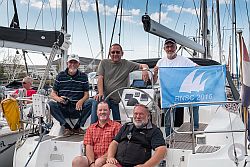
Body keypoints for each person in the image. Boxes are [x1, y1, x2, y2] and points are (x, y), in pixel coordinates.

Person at [91, 43, 149, 123]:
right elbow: (100, 77)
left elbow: (143, 65)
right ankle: (92, 129)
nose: (115, 54)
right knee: (96, 102)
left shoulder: (127, 64)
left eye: (118, 52)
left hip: (118, 100)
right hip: (105, 97)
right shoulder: (103, 63)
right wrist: (100, 93)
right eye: (113, 52)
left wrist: (145, 70)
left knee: (118, 120)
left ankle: (118, 131)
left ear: (122, 53)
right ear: (109, 54)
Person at [153, 38, 199, 137]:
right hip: (168, 94)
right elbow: (154, 80)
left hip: (183, 92)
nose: (170, 49)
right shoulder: (160, 62)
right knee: (168, 119)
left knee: (195, 103)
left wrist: (215, 69)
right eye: (167, 47)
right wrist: (155, 72)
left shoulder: (184, 60)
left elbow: (197, 68)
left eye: (172, 46)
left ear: (176, 48)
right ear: (164, 49)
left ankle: (195, 130)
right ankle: (169, 137)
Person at [49, 54, 96, 136]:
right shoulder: (60, 76)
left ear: (78, 64)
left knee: (92, 102)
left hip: (77, 108)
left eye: (75, 62)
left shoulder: (83, 76)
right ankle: (66, 127)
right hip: (63, 107)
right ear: (67, 63)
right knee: (50, 104)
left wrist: (81, 101)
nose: (73, 64)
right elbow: (53, 93)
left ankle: (78, 126)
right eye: (71, 62)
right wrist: (59, 99)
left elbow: (86, 94)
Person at [72, 102, 121, 167]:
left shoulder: (117, 126)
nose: (102, 112)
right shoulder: (91, 128)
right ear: (97, 112)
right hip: (93, 160)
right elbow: (89, 147)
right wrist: (92, 163)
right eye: (100, 110)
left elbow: (118, 146)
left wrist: (102, 159)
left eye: (105, 110)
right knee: (78, 161)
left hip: (109, 159)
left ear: (109, 112)